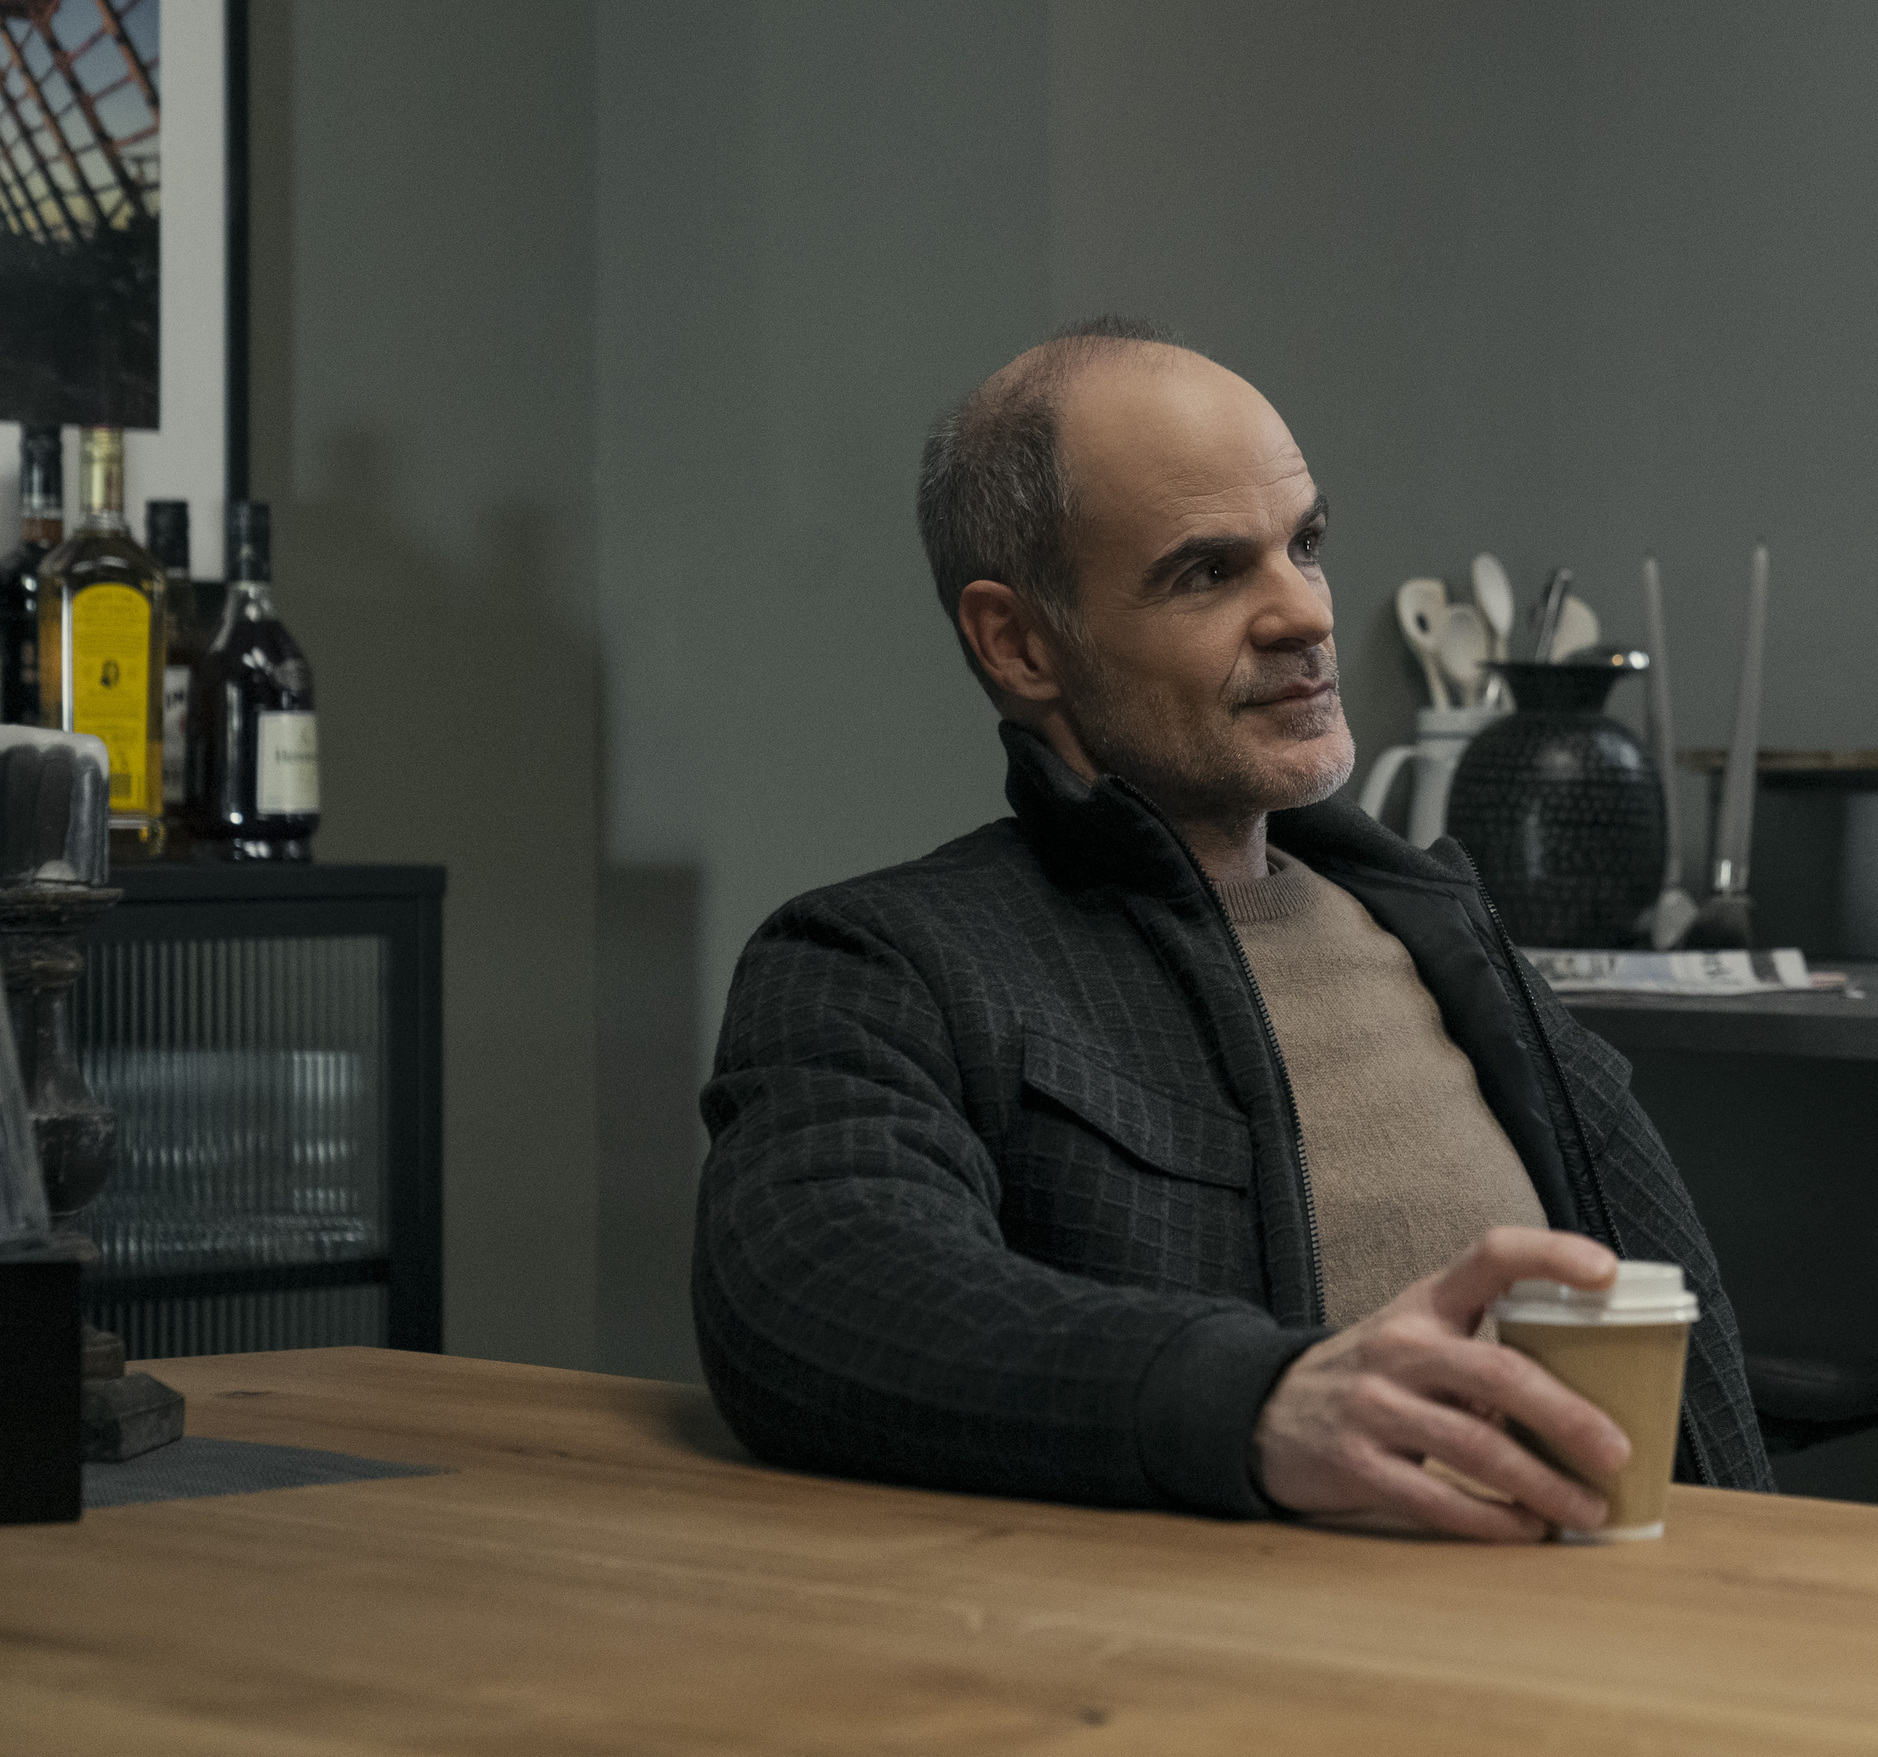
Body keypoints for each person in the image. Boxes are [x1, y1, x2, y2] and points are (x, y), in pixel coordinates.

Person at [692, 317, 1769, 1540]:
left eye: (1304, 545)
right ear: (1020, 642)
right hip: (1228, 1644)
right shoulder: (886, 963)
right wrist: (1257, 1402)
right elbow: (814, 1282)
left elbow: (1706, 1409)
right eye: (1208, 572)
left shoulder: (1442, 933)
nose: (1303, 613)